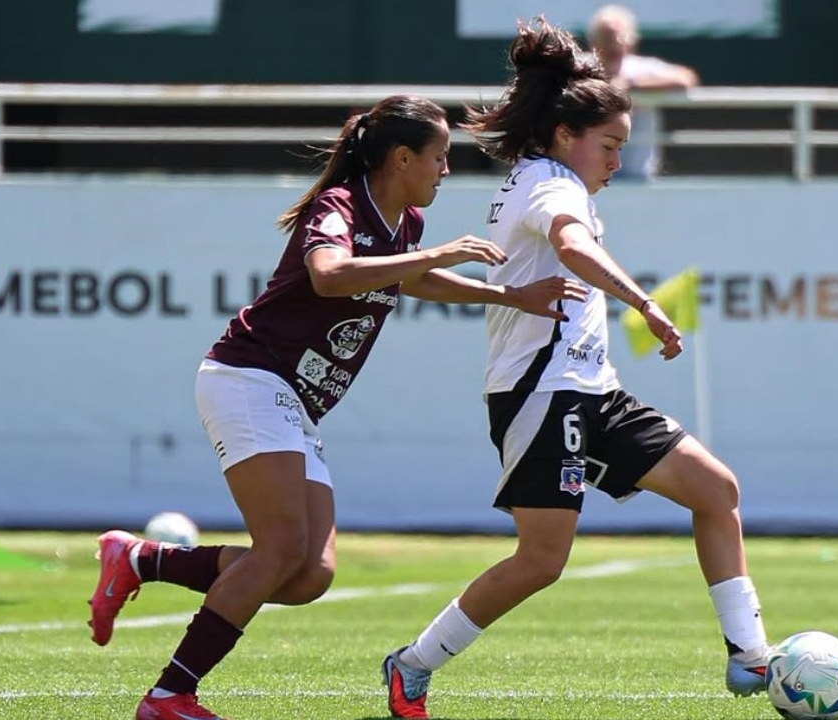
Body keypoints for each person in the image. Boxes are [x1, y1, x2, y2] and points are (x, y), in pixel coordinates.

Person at [85, 94, 589, 720]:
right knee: (278, 550)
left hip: (293, 401)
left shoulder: (406, 223)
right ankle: (169, 695)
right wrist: (437, 254)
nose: (445, 169)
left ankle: (142, 560)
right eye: (439, 156)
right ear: (401, 158)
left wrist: (511, 295)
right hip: (250, 378)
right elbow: (330, 274)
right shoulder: (340, 205)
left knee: (308, 574)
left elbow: (411, 279)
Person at [380, 18, 770, 720]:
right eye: (610, 145)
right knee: (541, 561)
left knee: (717, 491)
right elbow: (572, 247)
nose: (618, 160)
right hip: (542, 393)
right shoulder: (551, 185)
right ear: (565, 135)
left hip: (592, 390)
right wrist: (643, 302)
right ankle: (412, 664)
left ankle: (751, 654)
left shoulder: (551, 179)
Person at [586, 3, 700, 180]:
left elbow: (686, 78)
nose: (614, 44)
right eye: (607, 37)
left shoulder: (641, 68)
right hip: (587, 175)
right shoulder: (580, 67)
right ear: (593, 41)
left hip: (637, 176)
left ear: (631, 40)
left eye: (620, 37)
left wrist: (632, 85)